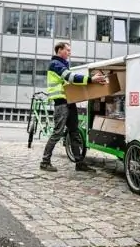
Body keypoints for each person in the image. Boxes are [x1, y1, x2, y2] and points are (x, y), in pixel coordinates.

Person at [40, 42, 107, 172]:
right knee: (57, 133)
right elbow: (70, 78)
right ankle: (45, 162)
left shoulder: (63, 65)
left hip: (69, 102)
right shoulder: (56, 64)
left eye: (70, 50)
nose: (69, 53)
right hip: (61, 103)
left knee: (74, 132)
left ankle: (79, 163)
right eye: (67, 50)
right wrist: (90, 79)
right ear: (59, 50)